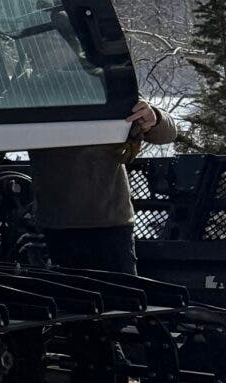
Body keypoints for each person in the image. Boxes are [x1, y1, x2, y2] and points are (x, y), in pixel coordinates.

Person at [30, 99, 162, 275]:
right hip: (55, 224)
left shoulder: (105, 84)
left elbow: (166, 133)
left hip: (111, 223)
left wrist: (154, 117)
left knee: (120, 298)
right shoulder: (32, 89)